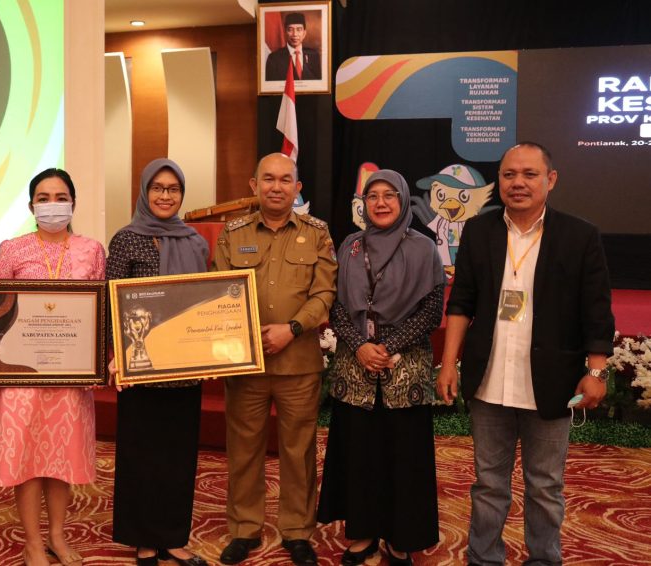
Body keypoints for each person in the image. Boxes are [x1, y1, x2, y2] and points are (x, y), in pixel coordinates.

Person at [436, 142, 615, 565]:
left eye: (529, 174)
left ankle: (543, 559)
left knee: (545, 486)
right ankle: (484, 558)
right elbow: (461, 302)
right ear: (499, 181)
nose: (518, 183)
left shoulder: (579, 235)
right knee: (488, 484)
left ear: (550, 180)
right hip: (490, 382)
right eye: (509, 174)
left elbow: (596, 310)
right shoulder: (479, 231)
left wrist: (596, 372)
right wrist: (448, 363)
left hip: (551, 383)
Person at [0, 168, 104, 566]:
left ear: (73, 203)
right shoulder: (12, 249)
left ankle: (57, 535)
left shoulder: (92, 250)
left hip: (70, 374)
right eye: (44, 198)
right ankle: (33, 543)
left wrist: (99, 360)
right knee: (27, 458)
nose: (52, 204)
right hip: (20, 373)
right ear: (30, 206)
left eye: (60, 197)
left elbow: (99, 313)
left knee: (61, 457)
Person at [213, 153, 337, 566]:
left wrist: (293, 328)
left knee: (298, 452)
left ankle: (297, 531)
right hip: (245, 363)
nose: (277, 187)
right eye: (268, 179)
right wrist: (248, 332)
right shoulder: (233, 233)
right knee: (243, 449)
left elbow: (325, 293)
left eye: (286, 180)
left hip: (298, 363)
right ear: (254, 185)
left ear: (297, 188)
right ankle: (244, 529)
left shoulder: (317, 233)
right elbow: (219, 290)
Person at [317, 170, 445, 565]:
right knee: (360, 453)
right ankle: (363, 532)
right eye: (373, 196)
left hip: (405, 369)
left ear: (403, 200)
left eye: (390, 195)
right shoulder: (351, 246)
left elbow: (432, 311)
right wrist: (360, 346)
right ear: (364, 204)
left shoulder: (424, 247)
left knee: (404, 456)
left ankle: (401, 536)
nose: (381, 203)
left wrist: (387, 346)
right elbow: (336, 304)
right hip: (356, 367)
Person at [107, 158, 210, 566]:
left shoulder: (195, 241)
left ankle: (173, 537)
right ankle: (144, 539)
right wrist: (116, 355)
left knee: (179, 457)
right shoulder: (127, 239)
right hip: (142, 368)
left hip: (185, 369)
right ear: (145, 191)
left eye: (173, 189)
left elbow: (204, 301)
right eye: (158, 188)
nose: (165, 196)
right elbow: (112, 298)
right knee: (141, 454)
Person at [265, 12, 322, 81]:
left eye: (299, 29)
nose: (295, 34)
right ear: (285, 32)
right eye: (290, 29)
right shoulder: (274, 58)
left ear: (304, 33)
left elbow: (319, 83)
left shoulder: (314, 55)